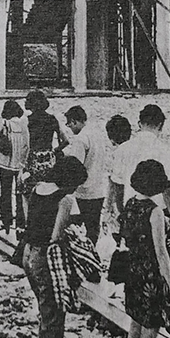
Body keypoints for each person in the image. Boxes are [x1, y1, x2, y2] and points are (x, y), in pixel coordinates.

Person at [107, 104, 170, 338]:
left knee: (134, 264)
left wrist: (118, 214)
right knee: (168, 264)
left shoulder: (123, 149)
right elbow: (167, 187)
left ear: (139, 123)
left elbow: (115, 184)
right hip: (156, 212)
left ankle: (136, 314)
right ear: (161, 125)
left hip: (132, 210)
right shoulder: (164, 148)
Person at [22, 156, 88, 338]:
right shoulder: (65, 199)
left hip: (28, 255)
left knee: (45, 315)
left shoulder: (38, 189)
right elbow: (56, 237)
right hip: (45, 259)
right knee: (54, 323)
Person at [120, 160, 170, 338]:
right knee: (149, 335)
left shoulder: (129, 204)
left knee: (134, 326)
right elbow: (161, 254)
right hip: (150, 277)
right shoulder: (154, 212)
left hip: (133, 271)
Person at [62, 105, 110, 245]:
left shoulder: (80, 139)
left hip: (82, 192)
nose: (70, 128)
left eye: (69, 124)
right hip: (98, 189)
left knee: (70, 227)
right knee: (93, 229)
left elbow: (75, 167)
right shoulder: (97, 134)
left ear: (75, 121)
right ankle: (93, 255)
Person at [22, 90, 69, 194]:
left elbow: (25, 144)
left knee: (31, 192)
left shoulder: (28, 120)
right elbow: (66, 141)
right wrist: (55, 151)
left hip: (33, 159)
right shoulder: (52, 119)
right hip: (48, 159)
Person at [0, 100, 30, 235]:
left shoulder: (4, 123)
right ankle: (20, 223)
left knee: (5, 193)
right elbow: (27, 144)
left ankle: (6, 221)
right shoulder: (24, 124)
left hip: (5, 164)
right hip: (20, 164)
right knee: (20, 194)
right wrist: (24, 161)